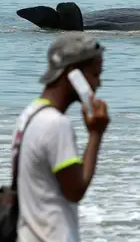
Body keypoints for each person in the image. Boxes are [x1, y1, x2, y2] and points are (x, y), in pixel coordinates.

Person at [14, 32, 111, 242]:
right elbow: (75, 190)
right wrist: (96, 134)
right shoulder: (56, 124)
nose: (98, 84)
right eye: (95, 75)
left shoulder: (29, 114)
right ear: (74, 74)